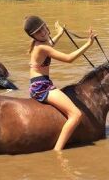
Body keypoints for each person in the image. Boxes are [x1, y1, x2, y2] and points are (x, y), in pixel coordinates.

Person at [24, 15, 96, 151]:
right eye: (38, 32)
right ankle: (57, 151)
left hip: (40, 83)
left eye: (43, 28)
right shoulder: (41, 47)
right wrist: (88, 44)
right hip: (42, 86)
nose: (43, 32)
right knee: (76, 115)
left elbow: (50, 44)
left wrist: (59, 33)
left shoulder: (41, 44)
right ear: (33, 36)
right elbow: (69, 58)